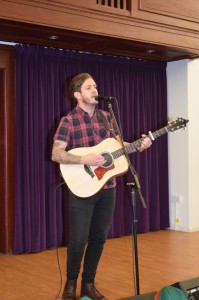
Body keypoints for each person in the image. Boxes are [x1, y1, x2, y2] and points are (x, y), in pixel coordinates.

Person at [52, 73, 152, 300]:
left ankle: (88, 284)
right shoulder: (68, 121)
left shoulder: (107, 117)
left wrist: (139, 145)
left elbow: (119, 146)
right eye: (89, 87)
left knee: (99, 238)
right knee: (78, 240)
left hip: (108, 188)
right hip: (82, 189)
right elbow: (56, 153)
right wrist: (82, 159)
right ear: (77, 95)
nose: (95, 91)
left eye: (95, 86)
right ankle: (70, 283)